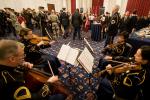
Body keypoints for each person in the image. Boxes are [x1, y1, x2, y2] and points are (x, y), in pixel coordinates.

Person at [0, 39, 65, 100]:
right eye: (23, 55)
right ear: (12, 59)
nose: (24, 57)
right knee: (60, 96)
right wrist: (49, 83)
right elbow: (35, 97)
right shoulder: (11, 82)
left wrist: (22, 63)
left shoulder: (5, 63)